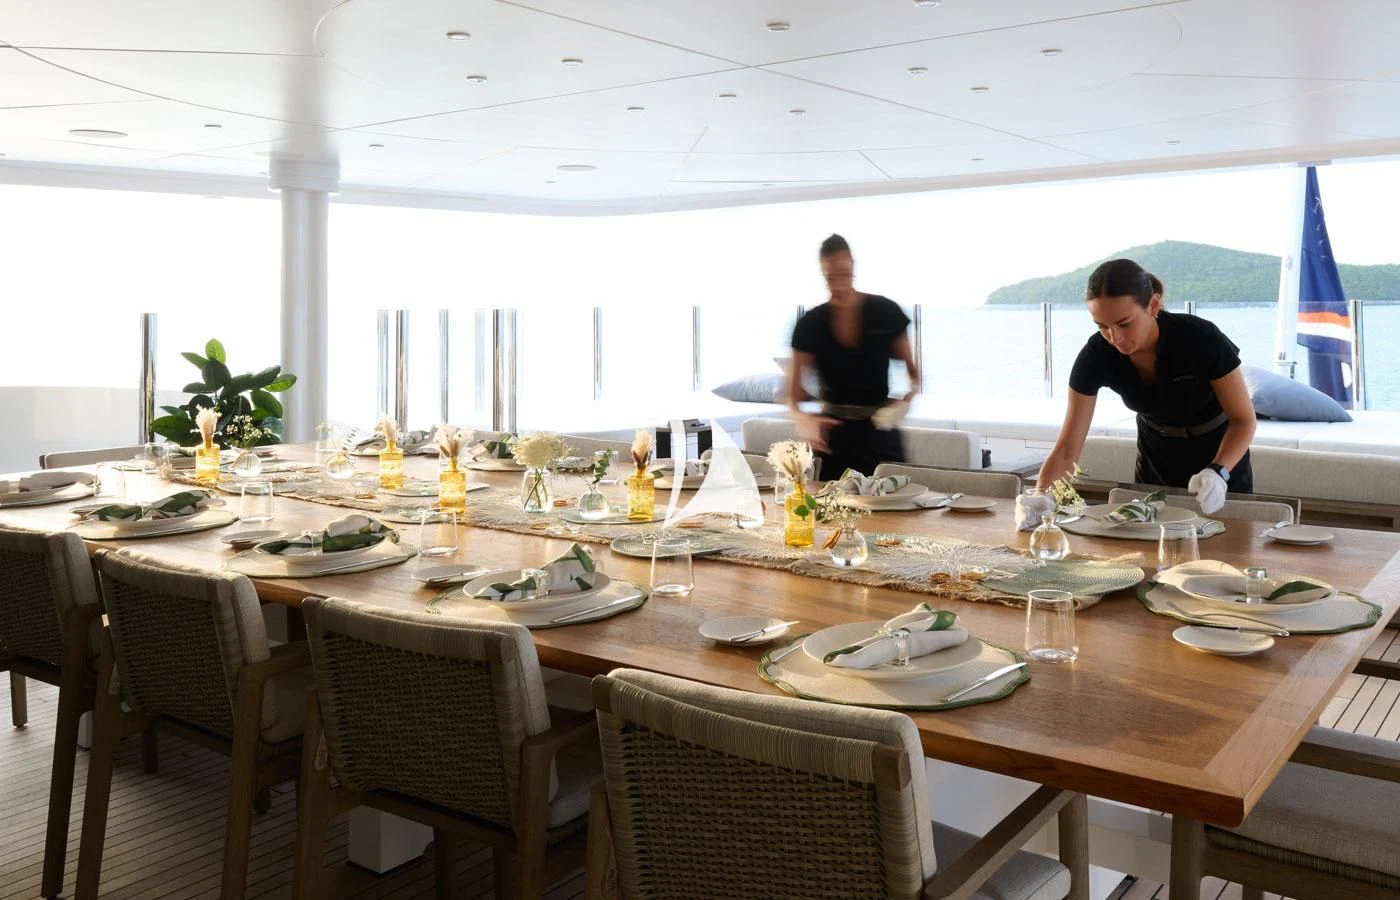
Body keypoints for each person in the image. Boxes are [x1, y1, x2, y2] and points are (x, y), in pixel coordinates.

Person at [1029, 258, 1256, 519]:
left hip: (1220, 456)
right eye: (1102, 326)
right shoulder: (1097, 355)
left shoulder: (1201, 339)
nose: (1115, 338)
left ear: (1153, 305)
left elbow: (1243, 420)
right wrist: (1041, 497)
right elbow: (1068, 449)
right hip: (1155, 460)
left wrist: (1219, 472)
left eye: (1124, 323)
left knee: (1226, 552)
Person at [788, 234, 921, 477]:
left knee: (896, 512)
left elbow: (914, 377)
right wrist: (804, 421)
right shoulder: (810, 325)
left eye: (844, 274)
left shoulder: (886, 312)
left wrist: (905, 402)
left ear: (852, 265)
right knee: (833, 511)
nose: (838, 285)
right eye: (830, 277)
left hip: (881, 432)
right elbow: (792, 396)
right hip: (833, 439)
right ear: (823, 275)